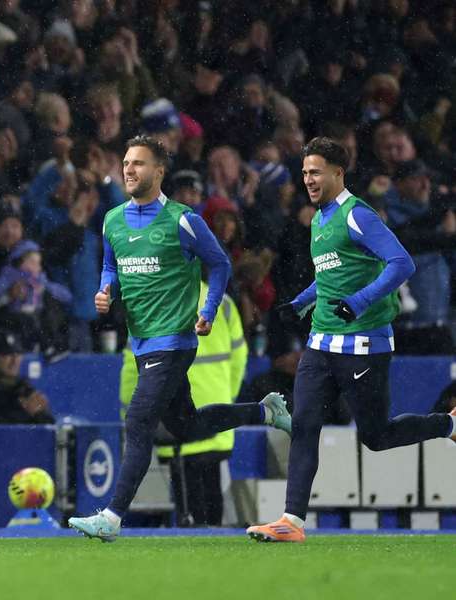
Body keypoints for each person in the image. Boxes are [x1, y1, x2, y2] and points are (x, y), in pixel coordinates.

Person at [68, 135, 291, 542]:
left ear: (159, 171)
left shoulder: (183, 220)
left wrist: (206, 313)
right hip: (142, 342)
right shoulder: (113, 219)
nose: (129, 170)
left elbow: (220, 263)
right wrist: (106, 291)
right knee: (186, 425)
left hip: (174, 341)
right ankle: (264, 413)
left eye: (138, 163)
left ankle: (111, 518)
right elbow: (110, 265)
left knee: (138, 423)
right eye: (125, 163)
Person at [246, 137, 456, 543]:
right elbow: (329, 279)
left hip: (364, 344)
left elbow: (402, 263)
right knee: (305, 426)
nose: (308, 179)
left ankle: (446, 425)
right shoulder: (320, 220)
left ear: (338, 173)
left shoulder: (357, 215)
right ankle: (291, 521)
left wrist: (358, 303)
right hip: (321, 343)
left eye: (316, 171)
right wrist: (300, 303)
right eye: (305, 172)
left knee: (375, 436)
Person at [119, 279, 248, 527]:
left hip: (175, 418)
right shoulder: (223, 302)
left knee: (189, 503)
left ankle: (197, 547)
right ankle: (218, 548)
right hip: (215, 417)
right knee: (213, 491)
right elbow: (240, 357)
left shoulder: (152, 303)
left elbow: (131, 368)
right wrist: (225, 400)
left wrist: (133, 411)